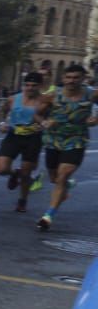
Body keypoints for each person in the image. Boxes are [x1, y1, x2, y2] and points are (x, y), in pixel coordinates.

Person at [34, 64, 98, 233]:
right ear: (63, 79)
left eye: (76, 77)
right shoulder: (53, 96)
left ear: (83, 78)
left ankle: (48, 216)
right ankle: (65, 186)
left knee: (62, 176)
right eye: (68, 77)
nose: (71, 81)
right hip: (54, 140)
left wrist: (96, 118)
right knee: (54, 178)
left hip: (77, 140)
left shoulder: (91, 94)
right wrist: (44, 122)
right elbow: (37, 113)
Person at [0, 73, 45, 214]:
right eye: (27, 85)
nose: (29, 88)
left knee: (27, 172)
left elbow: (51, 117)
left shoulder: (45, 101)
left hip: (33, 138)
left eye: (33, 86)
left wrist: (45, 123)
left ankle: (22, 201)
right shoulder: (13, 99)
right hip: (14, 135)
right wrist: (2, 123)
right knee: (1, 169)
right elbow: (2, 111)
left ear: (40, 86)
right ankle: (14, 173)